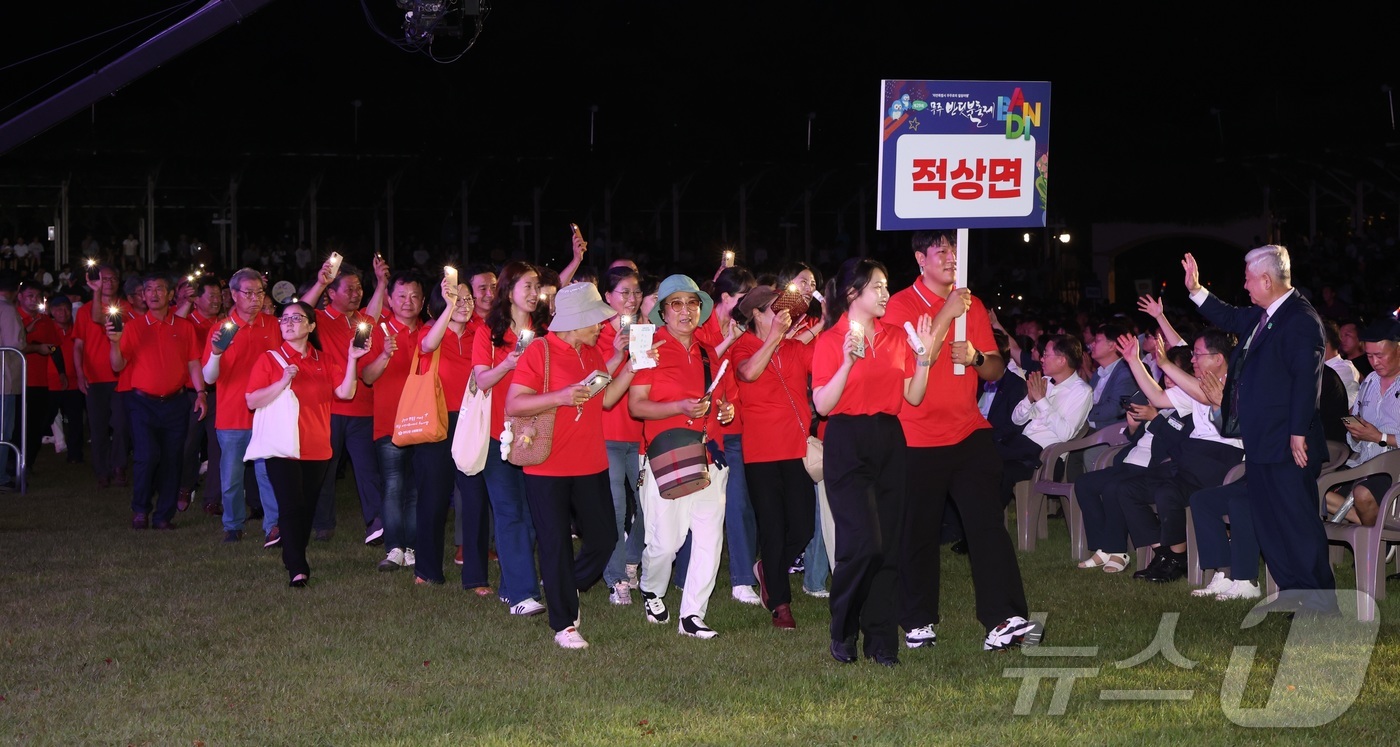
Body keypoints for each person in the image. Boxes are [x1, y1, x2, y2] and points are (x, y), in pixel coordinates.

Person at [882, 231, 1040, 655]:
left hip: (969, 432)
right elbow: (918, 358)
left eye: (953, 250)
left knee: (987, 525)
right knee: (919, 532)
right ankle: (917, 620)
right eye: (941, 252)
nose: (951, 258)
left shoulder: (973, 304)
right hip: (916, 438)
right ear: (920, 259)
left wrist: (974, 356)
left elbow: (994, 370)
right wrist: (946, 313)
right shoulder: (901, 305)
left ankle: (1004, 618)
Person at [1185, 247, 1335, 614]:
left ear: (1267, 280)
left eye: (1249, 278)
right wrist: (1196, 289)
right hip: (1263, 442)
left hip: (1289, 443)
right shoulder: (1264, 315)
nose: (1245, 285)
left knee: (1297, 523)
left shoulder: (1300, 319)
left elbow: (1307, 380)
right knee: (1269, 523)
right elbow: (1228, 316)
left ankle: (1321, 601)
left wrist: (1298, 430)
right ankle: (1293, 593)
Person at [812, 258, 935, 666]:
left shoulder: (897, 336)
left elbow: (912, 398)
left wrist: (924, 360)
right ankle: (842, 628)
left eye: (886, 286)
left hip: (889, 439)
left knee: (888, 549)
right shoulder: (830, 340)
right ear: (853, 294)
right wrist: (847, 361)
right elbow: (823, 405)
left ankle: (881, 640)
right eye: (877, 287)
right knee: (863, 544)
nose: (885, 294)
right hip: (846, 441)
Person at [506, 282, 640, 649]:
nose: (601, 325)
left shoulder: (593, 351)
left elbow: (607, 397)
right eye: (595, 319)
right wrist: (562, 397)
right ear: (575, 320)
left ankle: (564, 583)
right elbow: (514, 404)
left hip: (590, 462)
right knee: (554, 545)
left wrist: (632, 365)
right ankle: (564, 624)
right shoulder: (540, 351)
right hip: (546, 465)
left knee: (604, 537)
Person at [629, 274, 738, 639]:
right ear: (662, 311)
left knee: (709, 539)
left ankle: (692, 616)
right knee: (666, 543)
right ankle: (651, 586)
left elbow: (724, 399)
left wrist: (725, 411)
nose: (685, 310)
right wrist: (677, 405)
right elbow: (636, 405)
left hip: (709, 457)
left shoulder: (708, 351)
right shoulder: (651, 350)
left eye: (691, 303)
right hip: (665, 459)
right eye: (676, 303)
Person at [246, 300, 367, 587]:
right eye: (284, 318)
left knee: (306, 507)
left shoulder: (323, 360)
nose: (288, 323)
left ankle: (293, 554)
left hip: (317, 446)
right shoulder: (270, 359)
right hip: (282, 445)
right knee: (290, 506)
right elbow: (252, 400)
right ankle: (298, 566)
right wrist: (283, 381)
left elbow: (346, 392)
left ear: (311, 326)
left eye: (296, 318)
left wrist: (352, 359)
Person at [1111, 329, 1244, 582]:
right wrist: (1135, 361)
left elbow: (1206, 396)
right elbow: (1158, 397)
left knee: (1167, 492)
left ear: (1218, 359)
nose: (1192, 359)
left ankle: (1176, 557)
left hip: (1222, 459)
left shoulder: (1236, 383)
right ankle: (1166, 555)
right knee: (1127, 489)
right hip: (1191, 457)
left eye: (1197, 355)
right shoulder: (1196, 385)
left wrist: (1164, 363)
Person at [731, 285, 816, 629]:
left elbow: (823, 363)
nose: (780, 316)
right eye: (771, 310)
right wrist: (774, 339)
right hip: (762, 453)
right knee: (773, 529)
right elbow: (748, 373)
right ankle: (780, 604)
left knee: (803, 527)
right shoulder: (743, 346)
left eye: (783, 310)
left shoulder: (796, 347)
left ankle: (767, 568)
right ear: (754, 314)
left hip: (797, 450)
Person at [473, 260, 550, 617]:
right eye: (528, 287)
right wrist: (510, 362)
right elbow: (482, 381)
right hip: (497, 436)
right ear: (509, 291)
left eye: (538, 287)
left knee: (535, 514)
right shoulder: (488, 332)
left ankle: (509, 586)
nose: (535, 293)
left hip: (538, 434)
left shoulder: (548, 330)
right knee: (509, 512)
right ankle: (522, 593)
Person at [300, 257, 389, 544]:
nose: (355, 294)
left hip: (363, 408)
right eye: (348, 289)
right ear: (331, 293)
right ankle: (323, 522)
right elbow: (299, 311)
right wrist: (320, 282)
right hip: (329, 408)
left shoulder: (362, 321)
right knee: (325, 467)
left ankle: (376, 522)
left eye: (359, 288)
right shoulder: (320, 321)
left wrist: (382, 284)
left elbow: (373, 315)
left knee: (367, 469)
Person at [686, 265, 761, 606]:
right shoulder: (698, 331)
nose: (751, 306)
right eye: (745, 298)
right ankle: (683, 574)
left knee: (740, 504)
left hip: (735, 428)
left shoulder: (744, 335)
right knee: (692, 505)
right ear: (726, 297)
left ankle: (742, 579)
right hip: (701, 432)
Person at [108, 274, 207, 529]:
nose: (153, 294)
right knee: (146, 455)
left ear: (171, 294)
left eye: (159, 289)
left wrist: (201, 393)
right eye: (148, 290)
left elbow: (194, 362)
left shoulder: (184, 327)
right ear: (142, 295)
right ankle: (140, 510)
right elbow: (117, 365)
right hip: (142, 402)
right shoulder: (133, 327)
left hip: (175, 402)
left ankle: (164, 515)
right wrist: (115, 344)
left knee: (173, 458)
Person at [409, 275, 487, 590]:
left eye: (469, 299)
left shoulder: (481, 332)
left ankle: (476, 575)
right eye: (458, 298)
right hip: (436, 420)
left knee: (475, 498)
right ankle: (427, 570)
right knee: (432, 496)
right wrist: (449, 307)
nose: (465, 305)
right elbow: (427, 345)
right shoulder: (431, 329)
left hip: (471, 421)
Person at [202, 268, 283, 543]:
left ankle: (273, 525)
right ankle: (233, 524)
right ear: (234, 295)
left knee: (267, 473)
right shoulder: (221, 330)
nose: (255, 299)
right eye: (248, 293)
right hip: (232, 414)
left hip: (266, 412)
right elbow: (209, 378)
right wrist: (216, 353)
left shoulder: (273, 325)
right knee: (232, 476)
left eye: (260, 292)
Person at [361, 269, 429, 572]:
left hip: (423, 423)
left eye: (414, 296)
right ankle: (394, 548)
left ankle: (412, 546)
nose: (408, 301)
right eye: (401, 295)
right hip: (389, 423)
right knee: (393, 486)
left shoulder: (430, 332)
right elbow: (366, 376)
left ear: (423, 300)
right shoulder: (375, 330)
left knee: (416, 489)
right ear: (390, 298)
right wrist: (384, 356)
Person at [597, 266, 646, 604]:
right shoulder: (593, 333)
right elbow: (593, 385)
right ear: (607, 297)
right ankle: (617, 579)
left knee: (649, 507)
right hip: (606, 434)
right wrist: (617, 353)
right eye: (624, 292)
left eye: (636, 292)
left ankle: (631, 558)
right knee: (614, 509)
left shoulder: (646, 332)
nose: (631, 299)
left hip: (642, 435)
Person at [999, 334, 1092, 504]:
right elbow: (1016, 420)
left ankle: (989, 521)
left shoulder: (1081, 392)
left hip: (1045, 457)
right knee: (983, 458)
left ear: (1062, 360)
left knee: (999, 468)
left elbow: (1065, 434)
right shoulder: (1044, 382)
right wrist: (1030, 398)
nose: (1041, 359)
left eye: (1046, 355)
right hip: (1021, 446)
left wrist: (1041, 400)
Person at [1323, 319, 1400, 526]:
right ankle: (1367, 524)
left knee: (1363, 493)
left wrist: (1380, 437)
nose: (1374, 362)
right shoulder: (1370, 382)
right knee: (1312, 485)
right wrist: (1356, 433)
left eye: (1380, 356)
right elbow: (1356, 432)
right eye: (1369, 356)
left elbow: (1377, 437)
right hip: (1362, 462)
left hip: (1393, 467)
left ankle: (1372, 535)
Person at [72, 264, 128, 488]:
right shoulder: (86, 310)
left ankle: (119, 466)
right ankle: (102, 470)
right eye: (105, 279)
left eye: (113, 278)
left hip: (120, 376)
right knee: (98, 427)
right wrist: (79, 373)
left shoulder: (125, 308)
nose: (109, 282)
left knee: (122, 424)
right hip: (94, 377)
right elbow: (78, 345)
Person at [178, 275, 222, 512]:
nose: (216, 300)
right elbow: (171, 328)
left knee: (217, 446)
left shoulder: (223, 324)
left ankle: (212, 498)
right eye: (211, 295)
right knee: (188, 444)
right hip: (191, 393)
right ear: (197, 299)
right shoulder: (187, 321)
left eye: (218, 296)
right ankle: (185, 486)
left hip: (218, 393)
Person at [16, 282, 63, 475]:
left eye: (37, 296)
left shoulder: (46, 321)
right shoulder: (14, 317)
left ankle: (27, 463)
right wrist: (33, 341)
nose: (34, 300)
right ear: (20, 297)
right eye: (30, 295)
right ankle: (13, 462)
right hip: (16, 382)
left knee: (36, 426)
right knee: (16, 425)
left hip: (39, 382)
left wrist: (60, 370)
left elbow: (54, 347)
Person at [44, 294, 84, 466]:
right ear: (52, 311)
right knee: (46, 418)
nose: (63, 312)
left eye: (66, 308)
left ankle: (75, 454)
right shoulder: (48, 329)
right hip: (51, 383)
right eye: (58, 309)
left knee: (75, 420)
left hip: (74, 382)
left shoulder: (77, 329)